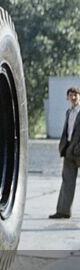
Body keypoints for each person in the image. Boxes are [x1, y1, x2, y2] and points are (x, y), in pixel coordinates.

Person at [49, 86, 80, 219]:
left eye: (75, 95)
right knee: (67, 181)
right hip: (69, 151)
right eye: (70, 95)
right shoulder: (69, 112)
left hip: (78, 149)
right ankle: (63, 211)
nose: (73, 97)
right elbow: (67, 131)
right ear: (67, 98)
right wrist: (64, 147)